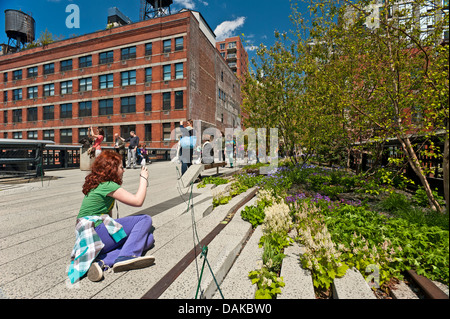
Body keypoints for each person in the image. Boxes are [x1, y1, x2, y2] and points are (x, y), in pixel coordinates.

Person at [67, 151, 155, 284]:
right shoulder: (108, 185)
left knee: (148, 239)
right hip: (96, 233)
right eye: (121, 167)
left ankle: (101, 262)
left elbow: (109, 218)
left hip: (91, 237)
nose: (123, 170)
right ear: (112, 170)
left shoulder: (98, 184)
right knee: (145, 219)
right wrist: (144, 178)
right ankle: (125, 257)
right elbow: (138, 201)